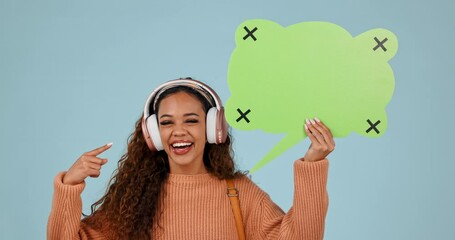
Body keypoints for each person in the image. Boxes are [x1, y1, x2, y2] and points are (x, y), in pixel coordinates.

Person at [47, 78, 335, 240]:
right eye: (167, 122)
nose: (179, 132)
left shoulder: (238, 193)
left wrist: (312, 165)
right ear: (153, 133)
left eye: (192, 120)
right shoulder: (133, 200)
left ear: (213, 129)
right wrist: (70, 185)